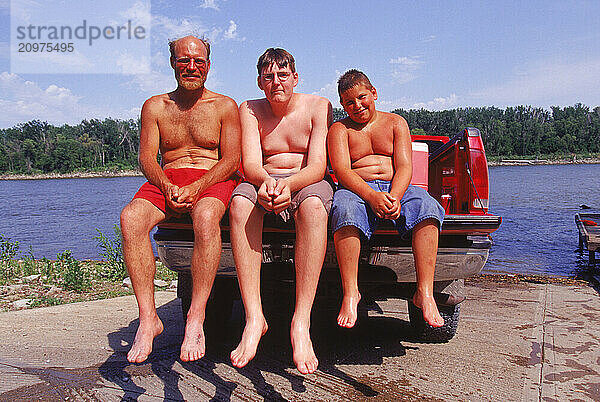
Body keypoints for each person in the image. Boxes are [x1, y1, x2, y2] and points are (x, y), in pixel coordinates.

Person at [120, 36, 241, 363]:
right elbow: (147, 158)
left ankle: (195, 317)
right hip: (167, 178)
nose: (192, 67)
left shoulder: (224, 106)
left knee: (205, 218)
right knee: (130, 219)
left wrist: (198, 186)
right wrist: (167, 185)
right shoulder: (155, 106)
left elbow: (231, 160)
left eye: (198, 61)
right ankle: (148, 318)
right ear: (173, 63)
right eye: (184, 60)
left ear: (208, 65)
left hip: (210, 176)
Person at [228, 48, 332, 374]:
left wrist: (289, 185)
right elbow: (250, 164)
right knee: (239, 204)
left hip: (306, 182)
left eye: (282, 75)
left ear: (295, 78)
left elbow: (318, 166)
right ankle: (254, 317)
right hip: (263, 180)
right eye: (269, 76)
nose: (276, 82)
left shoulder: (319, 107)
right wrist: (269, 183)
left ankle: (300, 323)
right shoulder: (249, 109)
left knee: (314, 208)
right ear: (260, 81)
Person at [327, 69, 445, 329]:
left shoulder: (395, 123)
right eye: (349, 102)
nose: (356, 106)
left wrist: (393, 197)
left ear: (374, 93)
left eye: (361, 97)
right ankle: (351, 292)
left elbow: (405, 166)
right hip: (357, 189)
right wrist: (371, 196)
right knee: (344, 209)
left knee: (427, 206)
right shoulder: (339, 129)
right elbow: (343, 172)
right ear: (342, 105)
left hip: (397, 187)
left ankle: (424, 292)